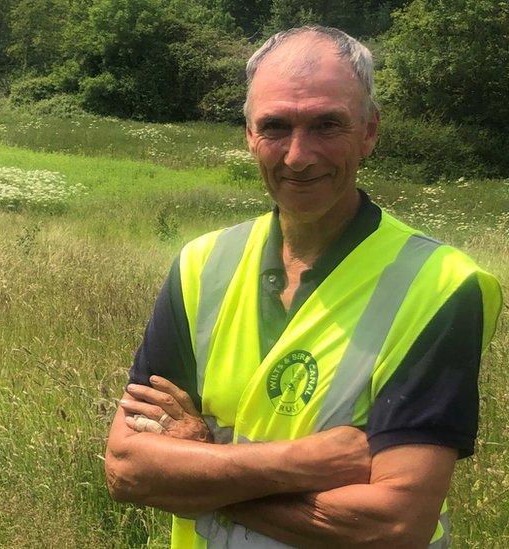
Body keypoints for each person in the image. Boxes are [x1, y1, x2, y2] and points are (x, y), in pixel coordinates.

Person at [104, 25, 503, 548]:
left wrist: (198, 467)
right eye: (275, 126)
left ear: (369, 132)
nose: (297, 155)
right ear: (249, 135)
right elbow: (127, 468)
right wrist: (308, 460)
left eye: (326, 125)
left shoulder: (441, 285)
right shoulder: (201, 265)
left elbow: (396, 524)